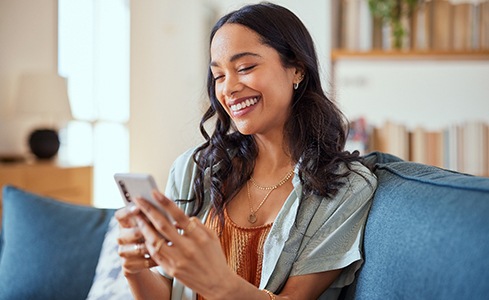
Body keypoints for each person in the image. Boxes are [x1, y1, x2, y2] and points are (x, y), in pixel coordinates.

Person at [116, 2, 377, 299]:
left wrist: (218, 284)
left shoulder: (344, 187)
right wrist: (133, 268)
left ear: (297, 70)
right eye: (219, 76)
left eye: (245, 68)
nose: (228, 88)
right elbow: (166, 291)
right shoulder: (194, 168)